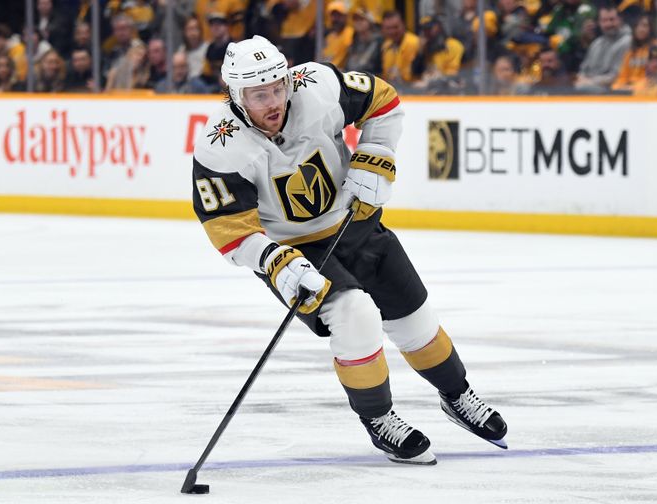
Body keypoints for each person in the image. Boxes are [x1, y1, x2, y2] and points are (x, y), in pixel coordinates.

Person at [191, 35, 508, 464]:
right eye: (259, 93)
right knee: (354, 313)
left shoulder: (316, 85)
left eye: (278, 86)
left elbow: (385, 100)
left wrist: (375, 154)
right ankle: (379, 419)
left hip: (351, 221)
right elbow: (228, 227)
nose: (274, 101)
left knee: (413, 316)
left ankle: (456, 394)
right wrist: (273, 262)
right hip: (293, 249)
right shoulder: (220, 145)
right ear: (234, 93)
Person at [574, 5, 631, 93]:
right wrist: (581, 79)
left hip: (615, 91)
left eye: (612, 19)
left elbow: (617, 76)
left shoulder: (628, 41)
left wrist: (589, 82)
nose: (608, 24)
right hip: (590, 87)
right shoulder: (596, 43)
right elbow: (583, 70)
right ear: (599, 23)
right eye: (604, 20)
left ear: (620, 20)